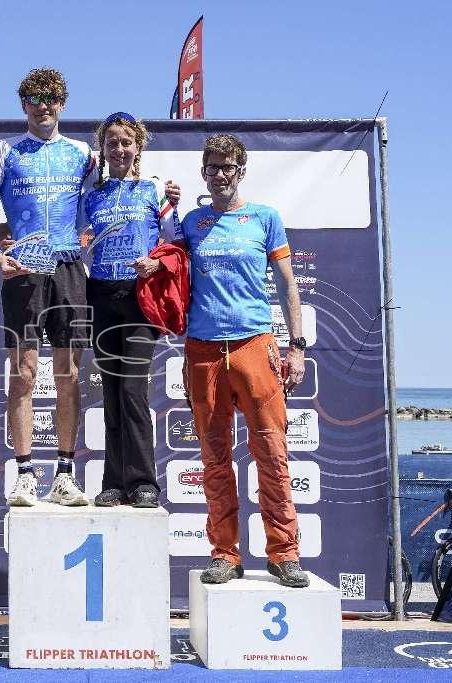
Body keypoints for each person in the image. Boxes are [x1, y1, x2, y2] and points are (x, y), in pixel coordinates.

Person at [179, 134, 310, 588]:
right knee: (214, 458)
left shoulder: (265, 218)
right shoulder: (191, 222)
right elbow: (168, 269)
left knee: (271, 452)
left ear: (241, 170)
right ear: (203, 172)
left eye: (227, 167)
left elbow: (288, 284)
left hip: (255, 344)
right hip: (202, 349)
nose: (219, 175)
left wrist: (297, 346)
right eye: (212, 167)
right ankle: (224, 553)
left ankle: (284, 553)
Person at [0, 67, 95, 507]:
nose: (44, 106)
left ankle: (64, 474)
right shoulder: (4, 150)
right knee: (23, 373)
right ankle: (24, 473)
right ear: (24, 104)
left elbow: (106, 200)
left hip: (68, 268)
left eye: (51, 98)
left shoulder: (83, 153)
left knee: (69, 374)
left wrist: (159, 192)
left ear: (62, 103)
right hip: (23, 269)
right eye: (35, 99)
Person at [81, 112, 180, 508]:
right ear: (103, 149)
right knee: (110, 390)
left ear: (138, 147)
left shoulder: (156, 189)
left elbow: (176, 242)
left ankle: (143, 482)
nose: (119, 149)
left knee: (132, 389)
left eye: (126, 142)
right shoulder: (91, 195)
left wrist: (156, 263)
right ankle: (113, 482)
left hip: (140, 298)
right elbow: (74, 238)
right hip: (101, 294)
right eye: (112, 143)